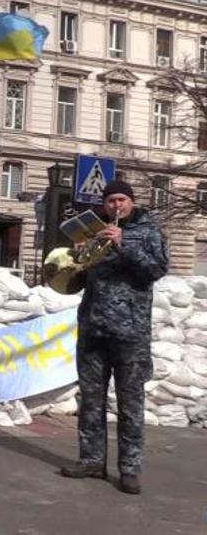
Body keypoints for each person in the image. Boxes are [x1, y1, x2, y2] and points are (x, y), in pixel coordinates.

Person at [59, 180, 168, 495]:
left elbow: (156, 270)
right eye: (110, 201)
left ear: (131, 202)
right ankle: (91, 459)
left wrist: (123, 244)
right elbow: (74, 281)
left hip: (130, 332)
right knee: (91, 400)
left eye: (121, 199)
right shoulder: (93, 230)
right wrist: (77, 258)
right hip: (93, 328)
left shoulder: (148, 232)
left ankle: (130, 468)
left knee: (130, 403)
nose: (116, 205)